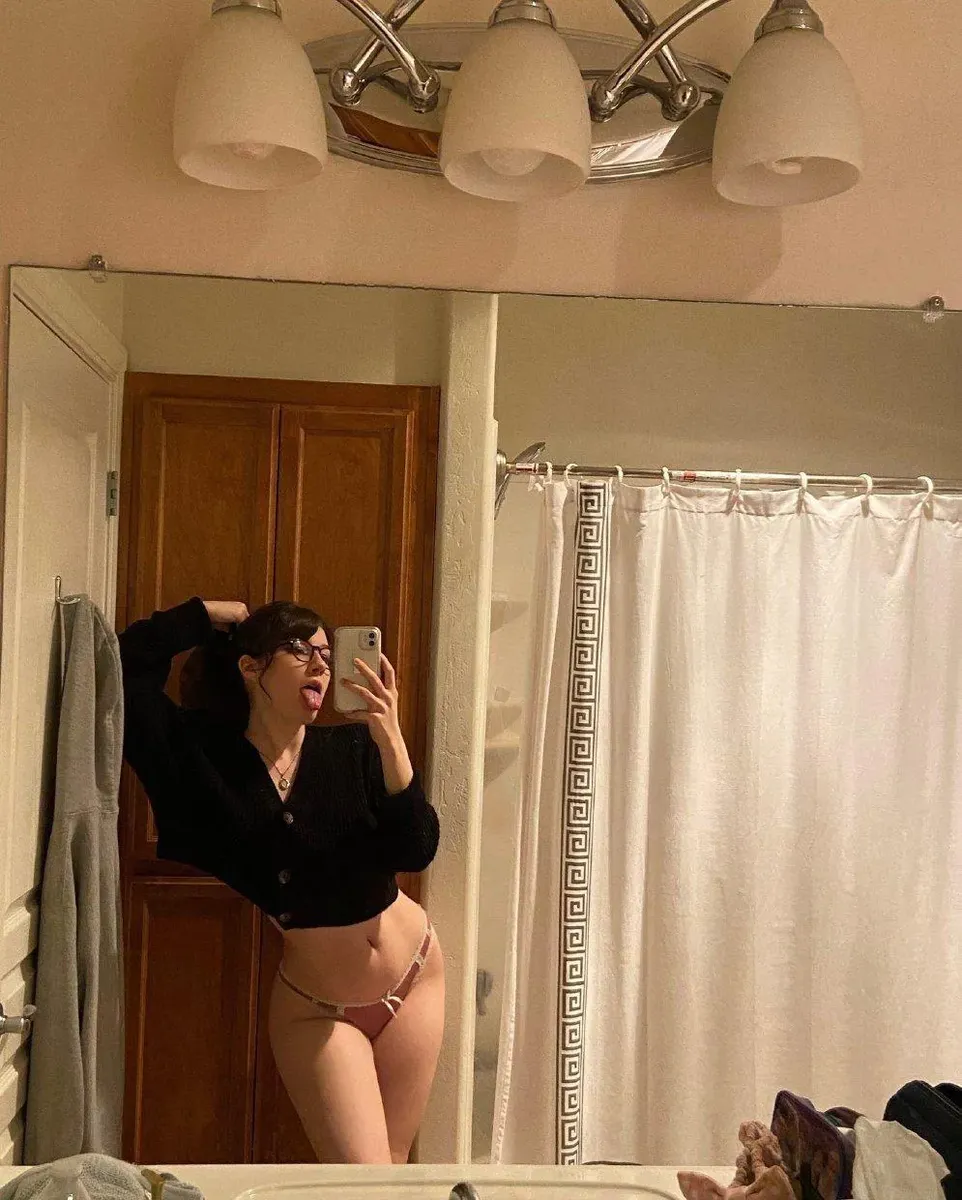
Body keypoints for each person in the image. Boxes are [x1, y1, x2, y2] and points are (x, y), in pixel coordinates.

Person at [118, 596, 443, 1164]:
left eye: (327, 654)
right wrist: (205, 615)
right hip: (319, 1008)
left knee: (391, 1176)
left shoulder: (354, 748)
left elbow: (417, 850)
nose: (321, 664)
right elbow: (123, 668)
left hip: (418, 974)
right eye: (300, 650)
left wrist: (390, 737)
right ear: (251, 667)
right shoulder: (200, 761)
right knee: (364, 1183)